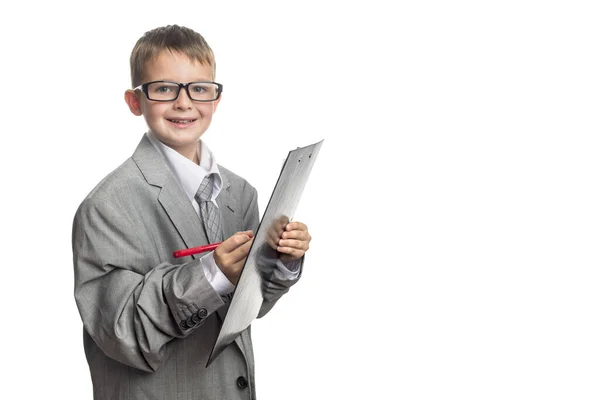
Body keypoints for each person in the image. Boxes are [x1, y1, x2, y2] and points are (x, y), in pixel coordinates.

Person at [72, 24, 311, 400]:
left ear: (215, 100)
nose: (184, 103)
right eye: (164, 88)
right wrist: (211, 275)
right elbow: (121, 332)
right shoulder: (106, 206)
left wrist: (282, 261)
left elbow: (249, 308)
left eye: (199, 89)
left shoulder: (240, 192)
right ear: (136, 102)